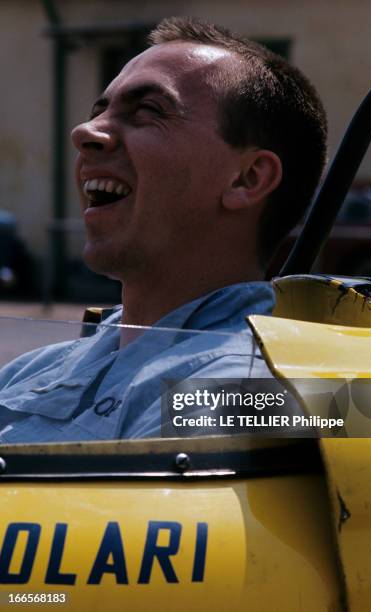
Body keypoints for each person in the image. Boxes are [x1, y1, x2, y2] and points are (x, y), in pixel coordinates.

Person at [0, 17, 327, 442]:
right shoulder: (32, 369)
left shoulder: (247, 390)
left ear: (247, 179)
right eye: (99, 111)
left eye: (148, 111)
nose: (85, 132)